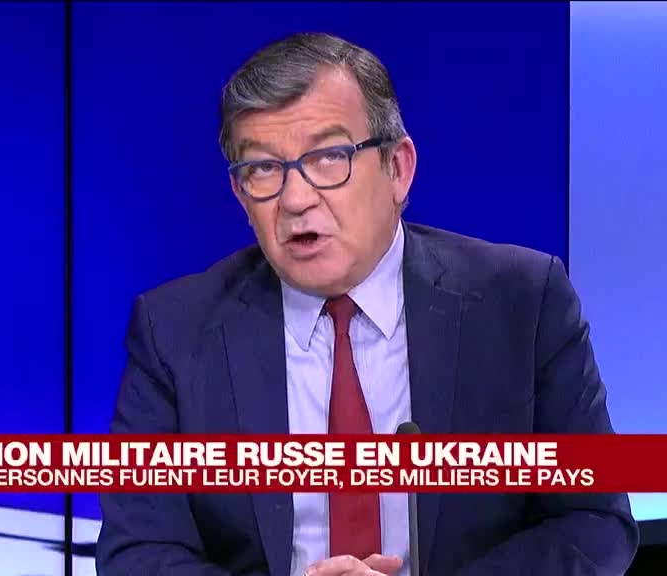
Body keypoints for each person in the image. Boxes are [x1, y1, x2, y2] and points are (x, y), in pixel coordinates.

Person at [96, 32, 638, 576]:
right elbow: (137, 551)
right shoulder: (174, 332)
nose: (295, 199)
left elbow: (594, 521)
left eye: (329, 157)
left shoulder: (523, 302)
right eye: (263, 168)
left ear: (398, 168)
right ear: (240, 193)